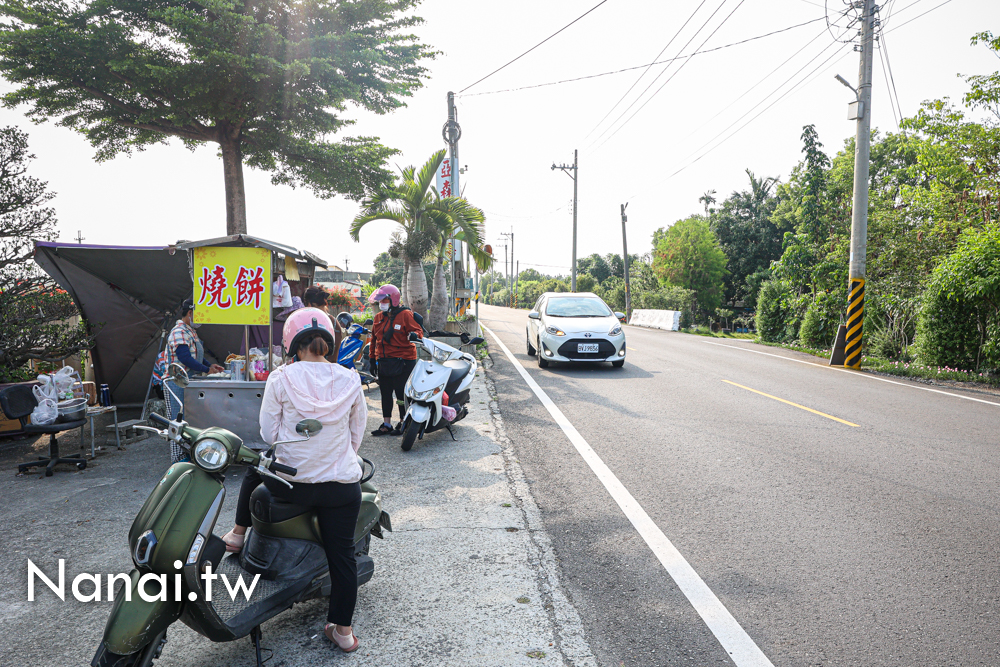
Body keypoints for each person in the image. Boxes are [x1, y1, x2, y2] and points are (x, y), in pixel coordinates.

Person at [221, 307, 367, 652]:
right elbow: (356, 435)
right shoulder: (350, 378)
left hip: (291, 485)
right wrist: (334, 456)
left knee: (255, 467)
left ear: (291, 343)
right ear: (329, 343)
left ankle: (237, 535)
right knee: (342, 556)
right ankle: (343, 632)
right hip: (341, 488)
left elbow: (270, 434)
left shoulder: (281, 378)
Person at [154, 299, 224, 460]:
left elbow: (196, 356)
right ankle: (177, 459)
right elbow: (185, 358)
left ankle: (188, 456)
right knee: (177, 423)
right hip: (174, 383)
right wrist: (206, 370)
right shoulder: (179, 331)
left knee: (187, 422)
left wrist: (210, 365)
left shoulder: (190, 331)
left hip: (186, 383)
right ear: (190, 313)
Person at [367, 284, 422, 436]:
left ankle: (404, 422)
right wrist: (372, 359)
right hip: (384, 361)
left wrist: (414, 336)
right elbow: (374, 340)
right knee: (385, 393)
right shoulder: (378, 318)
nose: (381, 303)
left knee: (400, 394)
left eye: (384, 300)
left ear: (394, 300)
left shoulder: (405, 315)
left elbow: (418, 331)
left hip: (403, 361)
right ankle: (386, 424)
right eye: (380, 301)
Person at [303, 285, 343, 355]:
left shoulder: (307, 322)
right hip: (330, 365)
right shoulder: (334, 324)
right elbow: (334, 357)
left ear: (309, 304)